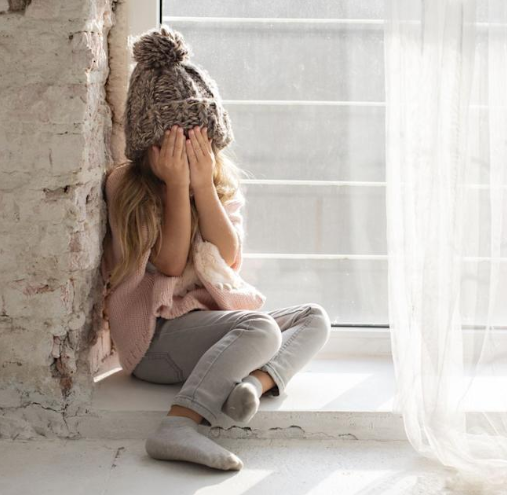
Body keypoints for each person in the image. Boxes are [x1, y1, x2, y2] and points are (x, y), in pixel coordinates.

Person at [99, 25, 331, 472]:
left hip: (205, 327)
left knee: (313, 318)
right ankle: (178, 425)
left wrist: (202, 187)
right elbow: (169, 264)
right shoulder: (127, 187)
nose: (186, 152)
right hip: (155, 340)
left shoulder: (219, 185)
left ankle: (253, 384)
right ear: (148, 145)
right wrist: (177, 186)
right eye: (173, 142)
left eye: (196, 141)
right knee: (262, 330)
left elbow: (227, 258)